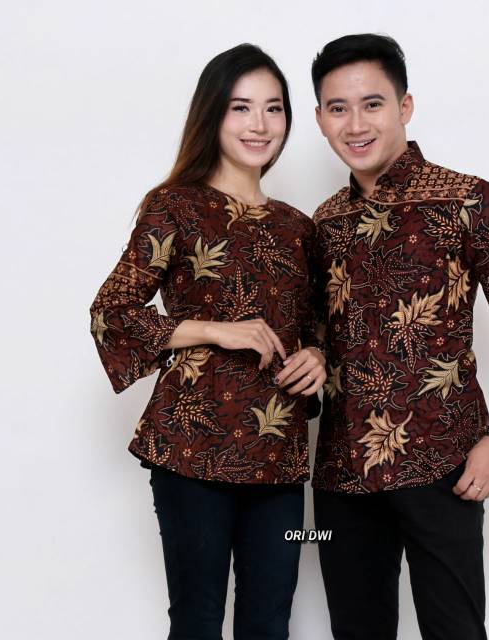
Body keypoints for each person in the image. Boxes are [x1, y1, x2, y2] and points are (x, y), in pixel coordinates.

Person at [304, 34, 489, 639]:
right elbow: (318, 337)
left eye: (373, 104)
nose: (356, 124)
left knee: (455, 629)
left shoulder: (470, 200)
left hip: (446, 462)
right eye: (338, 108)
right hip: (342, 473)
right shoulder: (322, 223)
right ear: (320, 119)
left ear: (404, 106)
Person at [89, 44, 327, 640]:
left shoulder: (299, 227)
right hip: (191, 451)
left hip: (278, 455)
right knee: (196, 622)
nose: (259, 124)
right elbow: (111, 313)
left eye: (273, 108)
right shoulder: (175, 205)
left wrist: (317, 355)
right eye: (241, 107)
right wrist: (214, 328)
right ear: (212, 114)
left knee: (270, 623)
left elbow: (318, 324)